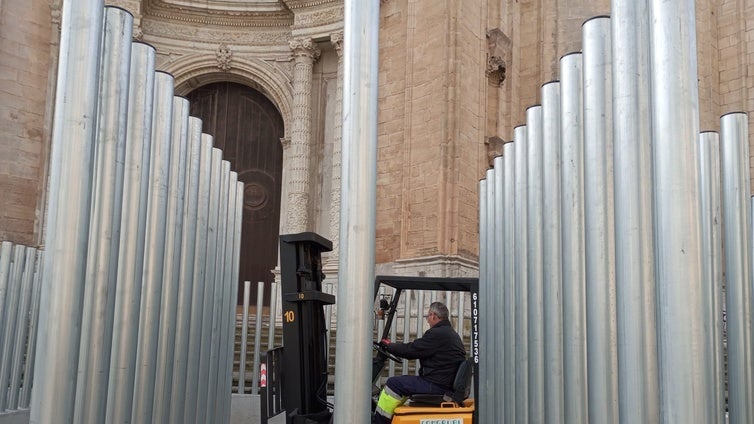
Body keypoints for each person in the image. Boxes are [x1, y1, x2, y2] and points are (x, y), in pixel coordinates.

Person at [372, 301, 466, 424]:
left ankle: (379, 421)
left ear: (433, 315)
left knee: (393, 384)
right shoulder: (450, 333)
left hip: (437, 385)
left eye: (428, 316)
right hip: (442, 382)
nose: (427, 320)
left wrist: (389, 346)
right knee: (403, 384)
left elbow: (411, 350)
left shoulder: (437, 334)